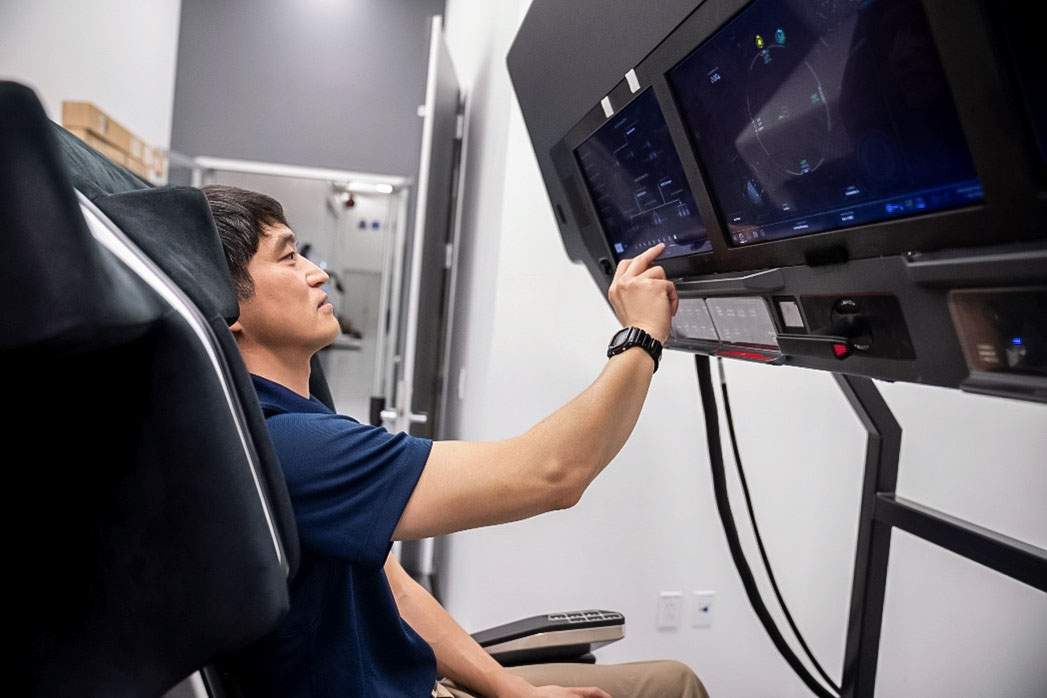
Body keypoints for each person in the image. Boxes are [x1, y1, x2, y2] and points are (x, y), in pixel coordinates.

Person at [201, 184, 708, 698]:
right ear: (226, 301)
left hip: (419, 683)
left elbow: (394, 586)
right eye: (288, 258)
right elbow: (553, 473)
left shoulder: (274, 422)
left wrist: (513, 691)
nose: (317, 273)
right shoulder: (287, 444)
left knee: (673, 679)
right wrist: (642, 335)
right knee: (673, 686)